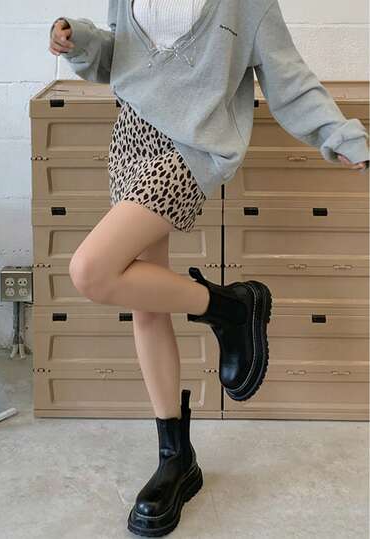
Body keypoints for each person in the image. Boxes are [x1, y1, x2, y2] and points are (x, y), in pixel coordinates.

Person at [48, 1, 369, 536]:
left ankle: (230, 307)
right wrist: (76, 39)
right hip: (130, 138)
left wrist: (338, 136)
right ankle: (176, 458)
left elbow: (288, 79)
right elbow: (117, 55)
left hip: (190, 147)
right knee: (145, 305)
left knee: (91, 271)